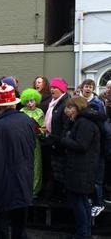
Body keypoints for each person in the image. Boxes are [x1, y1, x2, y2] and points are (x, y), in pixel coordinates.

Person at [0, 83, 36, 239]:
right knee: (20, 225)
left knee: (2, 225)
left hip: (3, 183)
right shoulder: (28, 121)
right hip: (24, 179)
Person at [58, 97, 100, 239]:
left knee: (79, 202)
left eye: (70, 108)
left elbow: (81, 145)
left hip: (81, 169)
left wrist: (62, 140)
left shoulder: (84, 123)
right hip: (81, 168)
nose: (67, 111)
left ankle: (83, 234)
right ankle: (84, 233)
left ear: (78, 107)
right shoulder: (80, 121)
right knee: (81, 201)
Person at [79, 79, 106, 217]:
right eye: (86, 86)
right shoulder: (78, 100)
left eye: (91, 86)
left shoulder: (97, 103)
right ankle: (89, 199)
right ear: (82, 87)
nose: (88, 88)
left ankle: (98, 203)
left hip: (96, 144)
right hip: (84, 143)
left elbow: (101, 122)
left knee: (97, 178)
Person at [43, 77, 70, 201]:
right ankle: (54, 195)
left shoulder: (65, 103)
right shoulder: (54, 102)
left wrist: (57, 141)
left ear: (62, 90)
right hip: (50, 140)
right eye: (52, 87)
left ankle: (60, 197)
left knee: (59, 173)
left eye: (55, 87)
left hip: (58, 144)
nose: (52, 89)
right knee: (52, 172)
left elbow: (65, 126)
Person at [20, 88, 44, 198]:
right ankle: (23, 189)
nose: (30, 103)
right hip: (23, 143)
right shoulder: (21, 112)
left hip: (35, 143)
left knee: (36, 166)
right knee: (23, 165)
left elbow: (43, 130)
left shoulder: (40, 112)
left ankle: (34, 191)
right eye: (28, 101)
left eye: (32, 101)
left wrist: (40, 131)